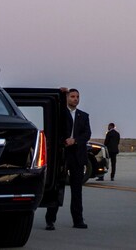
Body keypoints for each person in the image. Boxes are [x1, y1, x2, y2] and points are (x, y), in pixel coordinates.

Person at [46, 88, 91, 230]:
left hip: (77, 156)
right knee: (58, 188)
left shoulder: (83, 116)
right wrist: (63, 142)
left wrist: (75, 140)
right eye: (72, 96)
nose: (75, 99)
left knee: (77, 190)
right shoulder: (60, 114)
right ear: (67, 98)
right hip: (62, 155)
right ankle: (50, 220)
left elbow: (87, 134)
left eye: (77, 96)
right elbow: (53, 131)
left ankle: (78, 220)